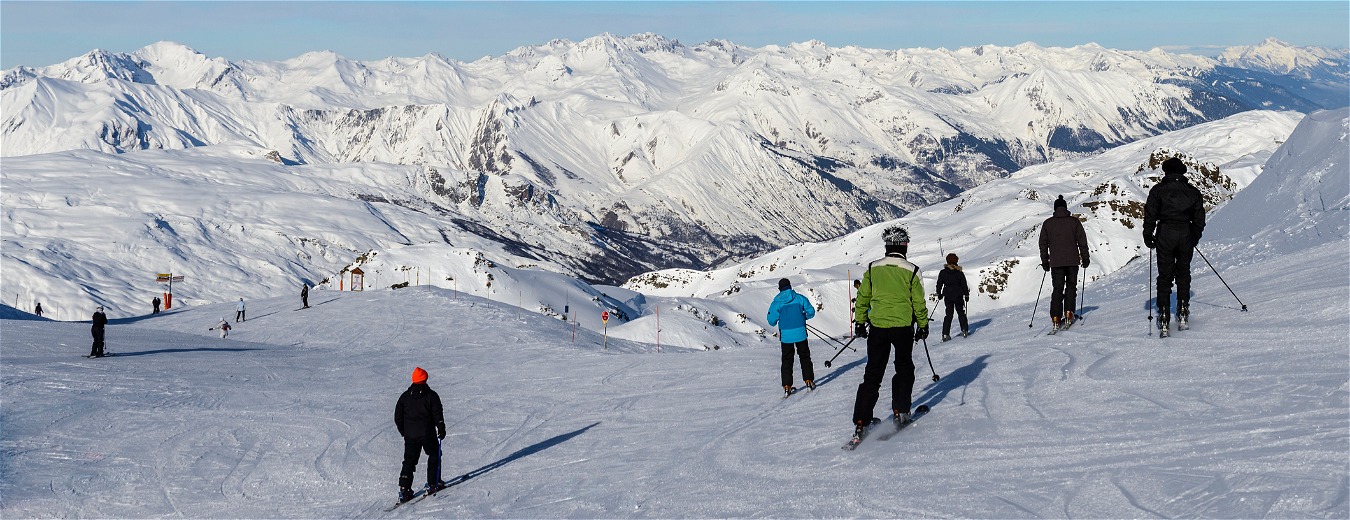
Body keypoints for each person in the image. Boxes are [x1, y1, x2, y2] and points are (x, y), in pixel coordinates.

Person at [851, 226, 929, 440]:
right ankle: (900, 413)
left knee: (872, 374)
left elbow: (863, 298)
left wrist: (860, 322)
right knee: (904, 368)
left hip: (878, 328)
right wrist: (922, 325)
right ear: (905, 247)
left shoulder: (872, 268)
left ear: (887, 246)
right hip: (903, 327)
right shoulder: (912, 270)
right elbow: (918, 302)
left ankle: (861, 422)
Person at [1143, 157, 1206, 334]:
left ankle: (1164, 315)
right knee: (1183, 273)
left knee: (1165, 275)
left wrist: (1148, 235)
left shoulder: (1158, 190)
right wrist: (1194, 236)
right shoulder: (1193, 192)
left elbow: (1150, 215)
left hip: (1165, 233)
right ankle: (1183, 311)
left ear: (1166, 171)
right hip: (1185, 233)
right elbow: (1199, 219)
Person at [1038, 195, 1090, 332]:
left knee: (1057, 289)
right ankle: (1068, 313)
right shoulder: (1074, 222)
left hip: (1056, 263)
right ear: (1065, 208)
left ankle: (1055, 317)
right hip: (1072, 261)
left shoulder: (1048, 224)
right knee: (1071, 287)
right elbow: (1082, 242)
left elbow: (1043, 244)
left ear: (1055, 209)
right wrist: (1085, 258)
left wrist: (1045, 261)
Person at [395, 367, 446, 502]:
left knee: (409, 461)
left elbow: (398, 417)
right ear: (425, 379)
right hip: (427, 433)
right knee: (434, 454)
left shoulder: (405, 397)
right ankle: (433, 483)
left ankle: (404, 489)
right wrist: (441, 428)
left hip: (410, 435)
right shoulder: (431, 395)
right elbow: (438, 414)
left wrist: (404, 431)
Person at [766, 277, 816, 395]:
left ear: (780, 289)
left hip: (786, 336)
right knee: (804, 357)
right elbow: (811, 312)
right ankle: (808, 381)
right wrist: (803, 317)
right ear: (790, 286)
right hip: (800, 333)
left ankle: (787, 386)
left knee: (787, 360)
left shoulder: (776, 302)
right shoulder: (799, 298)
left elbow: (771, 320)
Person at [935, 253, 970, 341]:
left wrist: (939, 293)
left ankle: (945, 334)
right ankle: (964, 330)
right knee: (961, 313)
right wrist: (966, 295)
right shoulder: (959, 272)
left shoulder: (943, 272)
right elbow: (964, 284)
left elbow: (939, 284)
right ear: (956, 261)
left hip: (948, 295)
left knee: (949, 315)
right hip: (958, 294)